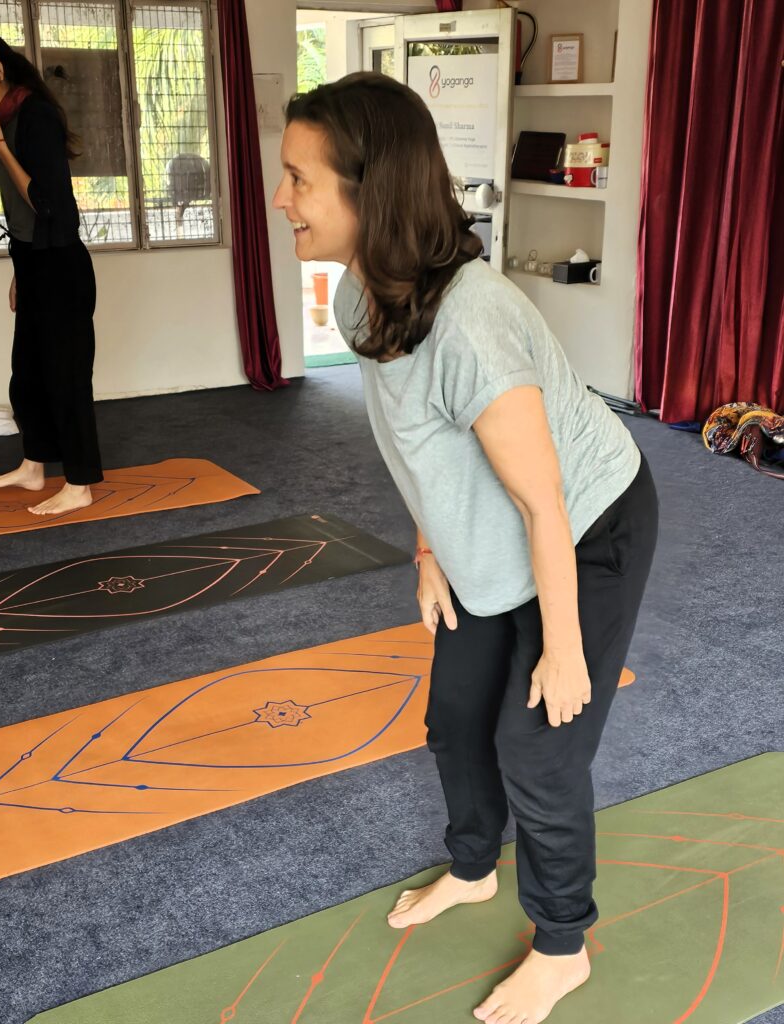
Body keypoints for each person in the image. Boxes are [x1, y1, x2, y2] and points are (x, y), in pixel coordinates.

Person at [273, 72, 659, 1024]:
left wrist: (567, 653)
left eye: (298, 180)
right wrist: (429, 550)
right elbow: (418, 448)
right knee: (454, 716)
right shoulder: (363, 300)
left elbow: (545, 502)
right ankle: (477, 868)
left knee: (539, 745)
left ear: (370, 192)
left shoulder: (473, 328)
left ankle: (562, 943)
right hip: (494, 537)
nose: (283, 200)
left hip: (587, 526)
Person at [0, 26, 102, 514]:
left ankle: (80, 485)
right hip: (36, 264)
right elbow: (19, 216)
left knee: (66, 378)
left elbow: (45, 204)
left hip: (61, 267)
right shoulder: (7, 114)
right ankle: (34, 467)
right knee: (27, 378)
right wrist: (21, 272)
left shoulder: (34, 117)